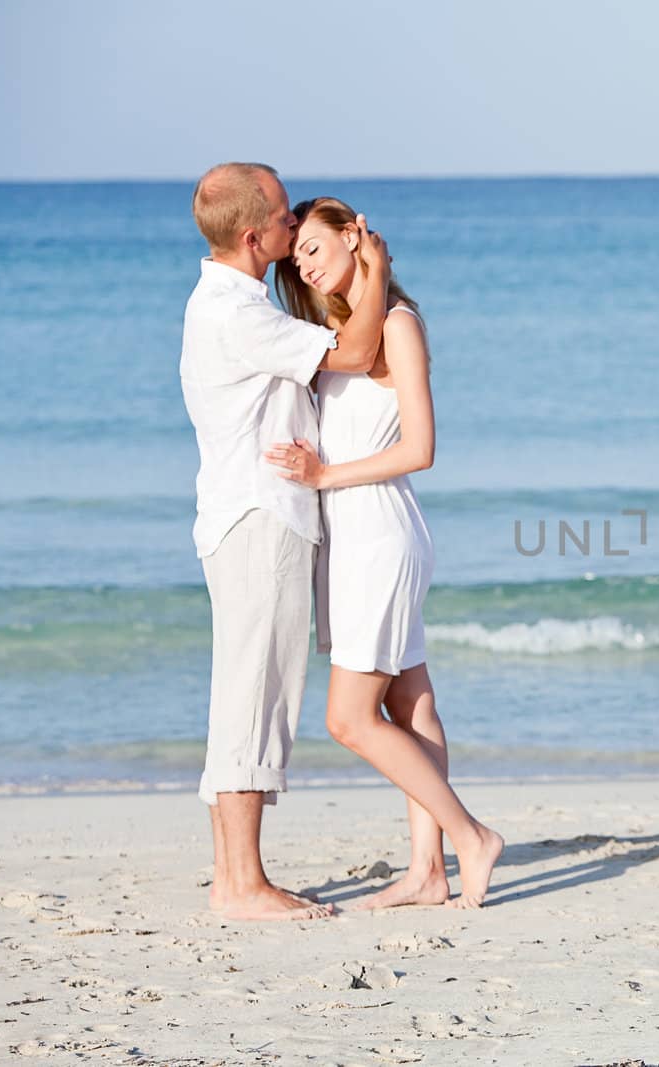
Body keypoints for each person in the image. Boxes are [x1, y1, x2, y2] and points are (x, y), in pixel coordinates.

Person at [266, 196, 504, 909]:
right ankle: (427, 872)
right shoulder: (336, 333)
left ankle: (472, 835)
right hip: (353, 536)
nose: (303, 264)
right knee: (410, 701)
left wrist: (323, 475)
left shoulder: (398, 324)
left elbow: (420, 449)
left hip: (380, 533)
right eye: (295, 258)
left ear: (353, 235)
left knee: (349, 718)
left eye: (313, 246)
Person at [180, 163, 391, 921]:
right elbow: (357, 354)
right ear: (251, 236)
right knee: (255, 697)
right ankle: (242, 884)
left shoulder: (228, 301)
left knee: (244, 691)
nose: (289, 222)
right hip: (260, 518)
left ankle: (234, 876)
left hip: (245, 517)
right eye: (278, 215)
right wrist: (377, 268)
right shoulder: (237, 313)